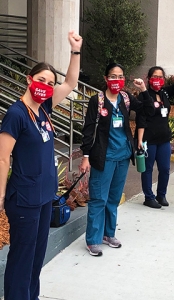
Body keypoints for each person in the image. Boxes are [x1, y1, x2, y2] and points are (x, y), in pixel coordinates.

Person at [0, 31, 82, 300]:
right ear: (28, 79)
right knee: (22, 258)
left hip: (45, 195)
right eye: (40, 80)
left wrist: (75, 51)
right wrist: (0, 195)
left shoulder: (44, 107)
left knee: (36, 259)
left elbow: (70, 82)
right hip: (24, 198)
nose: (45, 86)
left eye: (49, 83)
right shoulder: (15, 114)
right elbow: (2, 158)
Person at [80, 63, 154, 255]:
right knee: (98, 198)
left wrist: (144, 90)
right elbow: (88, 128)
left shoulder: (126, 98)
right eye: (113, 76)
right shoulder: (97, 100)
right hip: (103, 157)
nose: (116, 80)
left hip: (122, 156)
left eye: (120, 76)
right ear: (106, 79)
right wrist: (86, 156)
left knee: (113, 199)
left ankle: (108, 234)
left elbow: (148, 111)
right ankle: (93, 239)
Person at [135, 63, 174, 209]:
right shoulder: (145, 95)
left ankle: (161, 195)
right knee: (148, 169)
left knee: (165, 168)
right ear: (149, 79)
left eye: (160, 77)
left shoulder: (164, 92)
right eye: (155, 77)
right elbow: (141, 118)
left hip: (164, 138)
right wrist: (139, 139)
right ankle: (148, 197)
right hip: (149, 139)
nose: (157, 79)